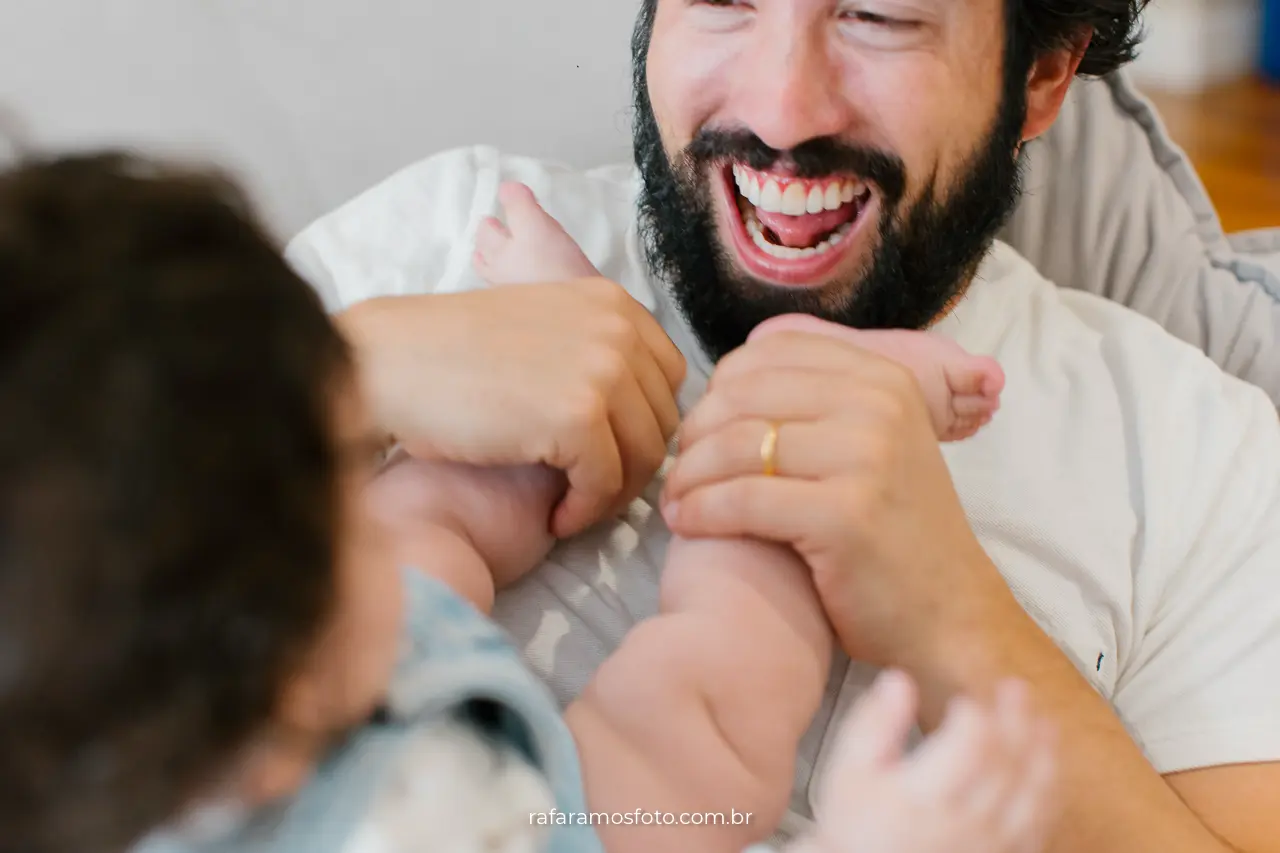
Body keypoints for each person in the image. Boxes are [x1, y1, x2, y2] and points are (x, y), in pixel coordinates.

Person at [283, 1, 1280, 851]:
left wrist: (955, 619)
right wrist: (345, 376)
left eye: (875, 14)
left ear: (1042, 74)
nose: (780, 109)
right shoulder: (444, 244)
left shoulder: (1194, 452)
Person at [0, 153, 1054, 853]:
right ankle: (807, 402)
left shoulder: (92, 678)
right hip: (551, 809)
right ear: (294, 671)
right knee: (702, 717)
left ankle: (586, 352)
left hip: (288, 679)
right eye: (338, 473)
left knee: (433, 514)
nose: (363, 465)